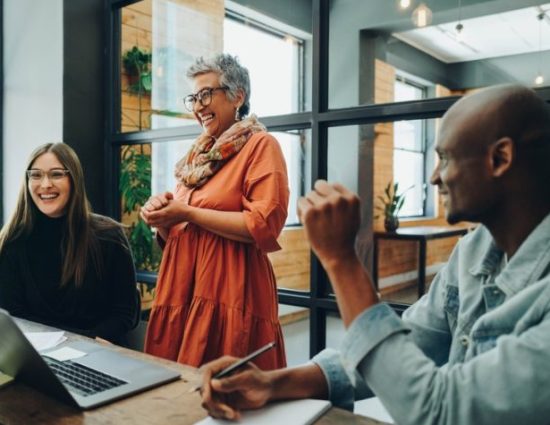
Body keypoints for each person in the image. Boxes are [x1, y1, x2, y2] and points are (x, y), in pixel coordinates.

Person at [199, 84, 550, 424]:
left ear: (500, 158)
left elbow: (440, 410)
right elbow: (405, 346)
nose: (433, 178)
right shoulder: (473, 251)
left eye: (444, 158)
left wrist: (341, 260)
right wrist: (273, 383)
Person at [141, 54, 289, 369]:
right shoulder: (196, 158)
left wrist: (187, 213)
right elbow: (179, 234)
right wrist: (163, 218)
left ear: (238, 96)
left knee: (229, 391)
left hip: (231, 291)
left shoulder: (261, 146)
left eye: (206, 94)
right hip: (182, 288)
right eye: (193, 98)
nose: (197, 106)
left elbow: (263, 224)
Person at [0, 143, 139, 345]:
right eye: (36, 175)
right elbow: (13, 315)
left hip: (98, 352)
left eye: (56, 174)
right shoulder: (12, 240)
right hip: (37, 355)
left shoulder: (109, 235)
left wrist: (88, 342)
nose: (45, 184)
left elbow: (125, 312)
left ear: (74, 180)